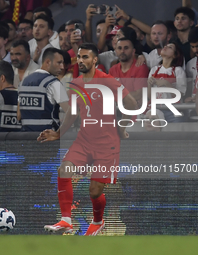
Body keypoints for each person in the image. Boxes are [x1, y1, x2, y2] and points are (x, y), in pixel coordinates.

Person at [38, 43, 137, 235]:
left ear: (95, 60)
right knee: (64, 169)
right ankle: (66, 219)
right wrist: (58, 133)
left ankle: (98, 221)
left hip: (107, 145)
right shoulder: (76, 83)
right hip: (84, 140)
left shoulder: (108, 81)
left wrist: (121, 127)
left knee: (95, 191)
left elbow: (131, 104)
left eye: (85, 57)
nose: (81, 61)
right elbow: (73, 112)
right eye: (79, 57)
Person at [18, 48, 69, 131]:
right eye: (59, 63)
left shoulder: (23, 82)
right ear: (48, 62)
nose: (62, 67)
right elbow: (69, 112)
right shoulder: (54, 83)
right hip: (48, 138)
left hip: (26, 137)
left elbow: (19, 116)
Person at [148, 42, 187, 122]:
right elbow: (149, 95)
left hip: (172, 110)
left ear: (175, 55)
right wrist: (149, 84)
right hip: (156, 109)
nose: (165, 46)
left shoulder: (178, 70)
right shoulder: (154, 70)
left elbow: (180, 95)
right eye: (166, 45)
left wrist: (167, 84)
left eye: (170, 47)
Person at [109, 37, 149, 106]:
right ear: (116, 51)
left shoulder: (141, 68)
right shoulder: (112, 70)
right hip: (117, 112)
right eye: (119, 48)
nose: (122, 51)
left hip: (137, 112)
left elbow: (138, 94)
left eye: (126, 48)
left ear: (133, 51)